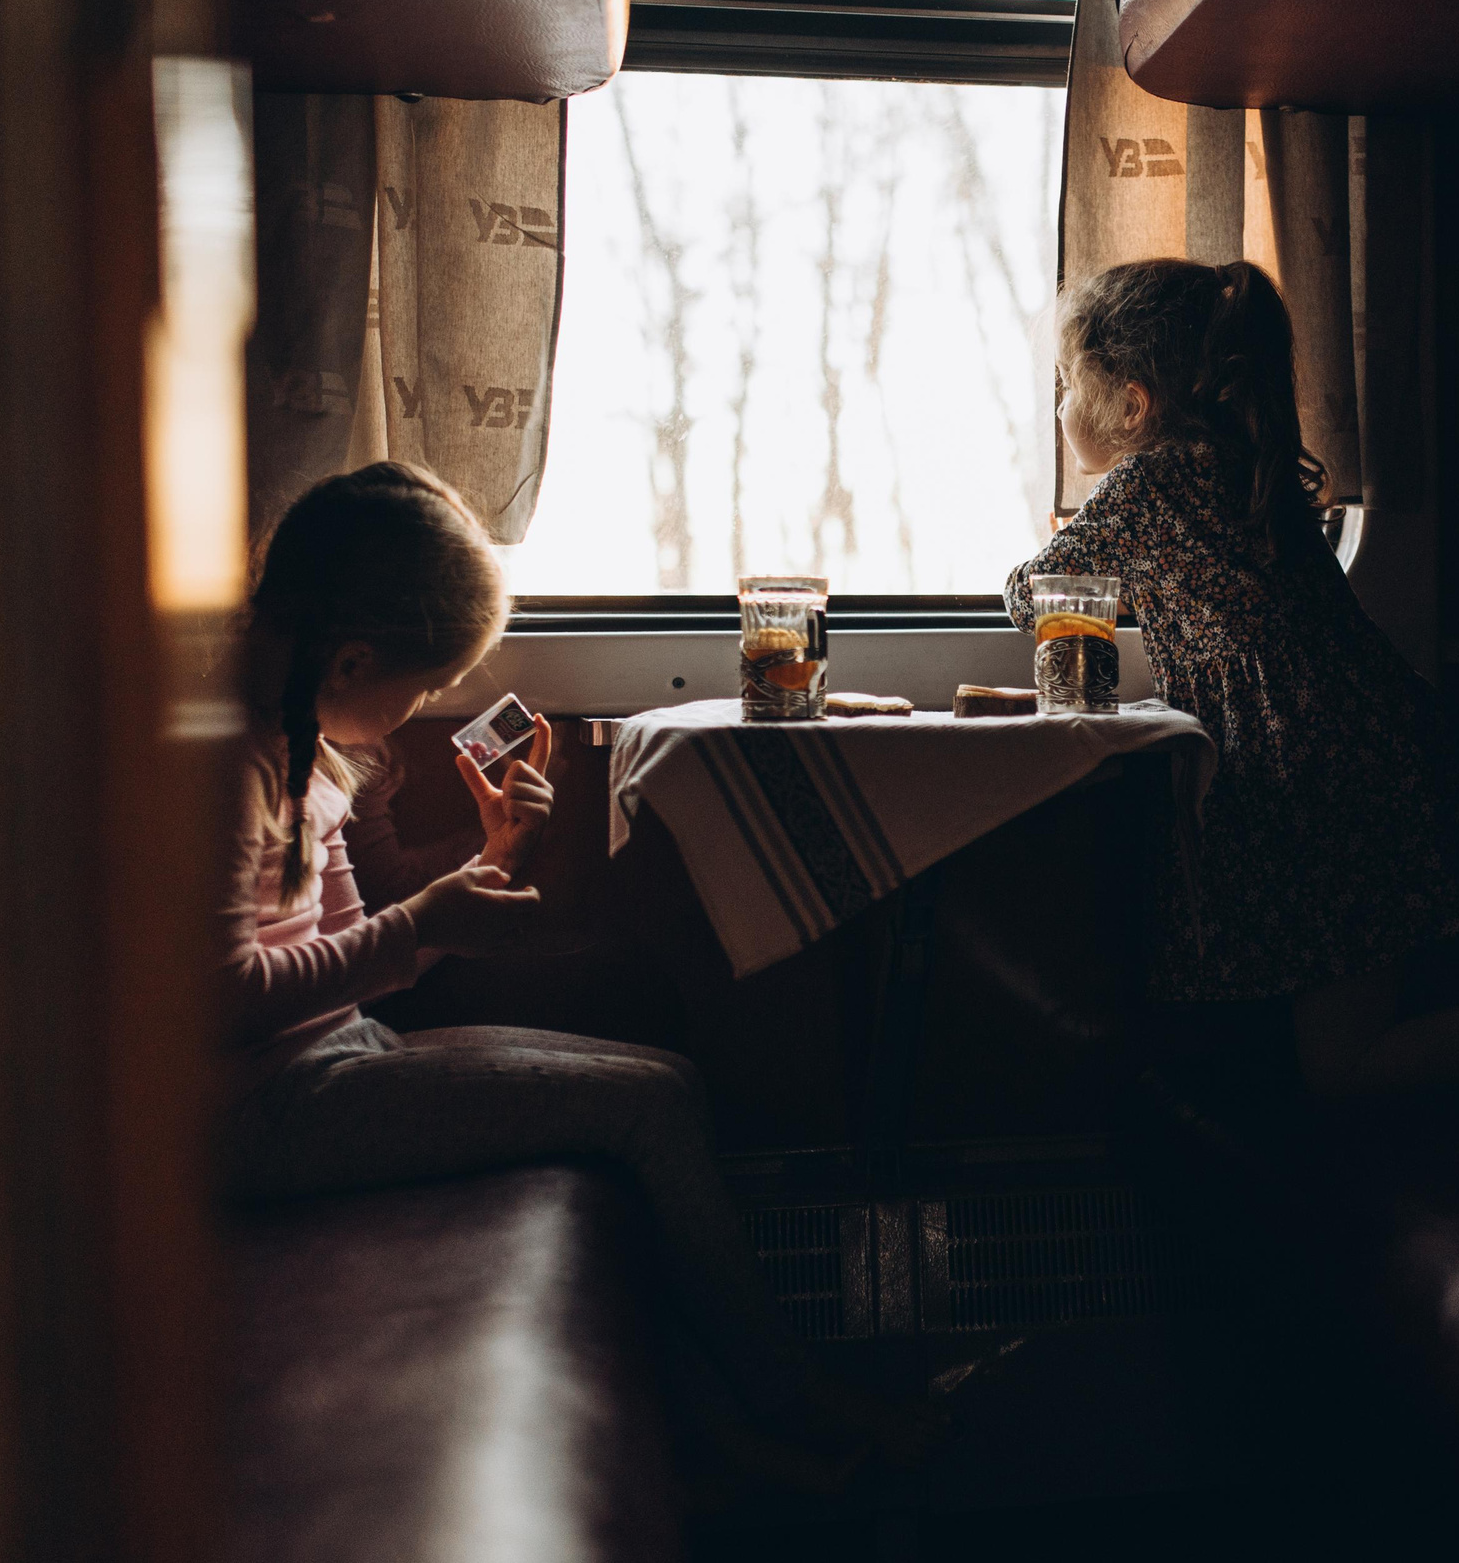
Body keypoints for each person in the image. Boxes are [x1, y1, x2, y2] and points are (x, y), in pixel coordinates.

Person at [220, 461, 939, 1493]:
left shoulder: (315, 758)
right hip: (259, 1108)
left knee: (664, 1082)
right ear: (350, 659)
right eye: (421, 686)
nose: (424, 706)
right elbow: (217, 998)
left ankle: (719, 1425)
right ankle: (787, 1396)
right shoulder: (226, 769)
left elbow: (355, 960)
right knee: (642, 1105)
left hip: (334, 1057)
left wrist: (489, 861)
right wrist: (424, 923)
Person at [1007, 259, 1459, 1097]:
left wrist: (1079, 531)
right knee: (1400, 991)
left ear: (1132, 403)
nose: (1059, 408)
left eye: (1067, 385)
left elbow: (1032, 593)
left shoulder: (1148, 485)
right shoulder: (1243, 461)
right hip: (1371, 741)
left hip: (1308, 775)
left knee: (1345, 1062)